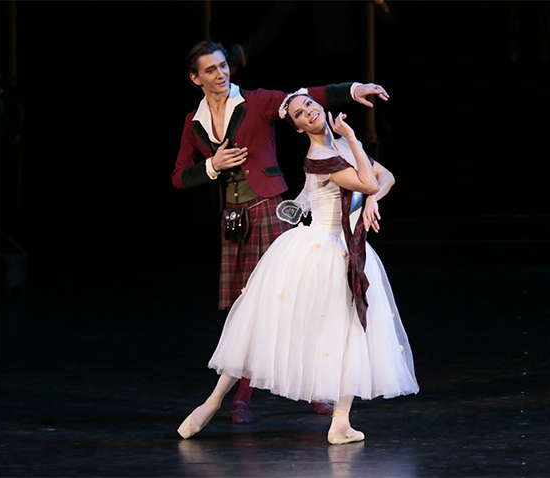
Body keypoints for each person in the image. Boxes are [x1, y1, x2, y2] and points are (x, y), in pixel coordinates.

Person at [177, 90, 419, 444]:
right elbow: (367, 180)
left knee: (350, 330)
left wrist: (371, 203)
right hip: (319, 248)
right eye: (299, 114)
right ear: (298, 128)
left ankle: (340, 421)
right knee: (264, 323)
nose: (308, 112)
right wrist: (353, 142)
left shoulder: (343, 150)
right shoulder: (320, 155)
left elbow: (385, 178)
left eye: (310, 105)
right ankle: (212, 402)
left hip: (346, 249)